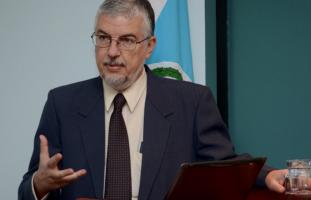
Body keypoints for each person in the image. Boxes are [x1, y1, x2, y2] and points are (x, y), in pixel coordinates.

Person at [18, 0, 287, 199]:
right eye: (103, 38)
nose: (112, 51)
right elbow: (28, 186)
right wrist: (39, 184)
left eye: (126, 40)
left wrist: (267, 175)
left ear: (149, 46)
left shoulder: (191, 102)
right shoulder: (62, 103)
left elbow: (224, 166)